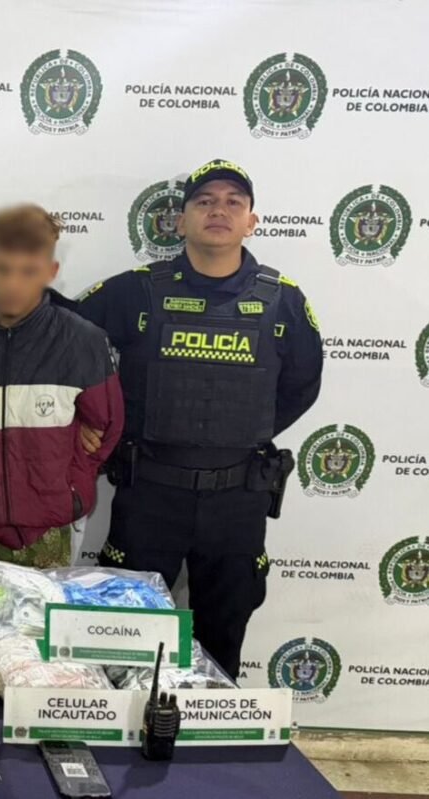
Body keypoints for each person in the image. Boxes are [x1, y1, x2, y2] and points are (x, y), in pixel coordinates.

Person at [76, 159, 323, 678]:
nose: (219, 210)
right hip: (150, 493)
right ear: (181, 220)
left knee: (223, 638)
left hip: (238, 499)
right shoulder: (135, 291)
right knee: (125, 640)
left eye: (234, 202)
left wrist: (240, 430)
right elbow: (61, 342)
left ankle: (211, 726)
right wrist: (86, 421)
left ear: (251, 221)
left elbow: (301, 386)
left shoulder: (284, 301)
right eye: (205, 201)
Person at [0, 204, 124, 587]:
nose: (14, 283)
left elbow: (107, 427)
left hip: (45, 531)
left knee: (33, 626)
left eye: (29, 271)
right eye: (3, 269)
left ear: (51, 271)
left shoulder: (82, 340)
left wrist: (64, 483)